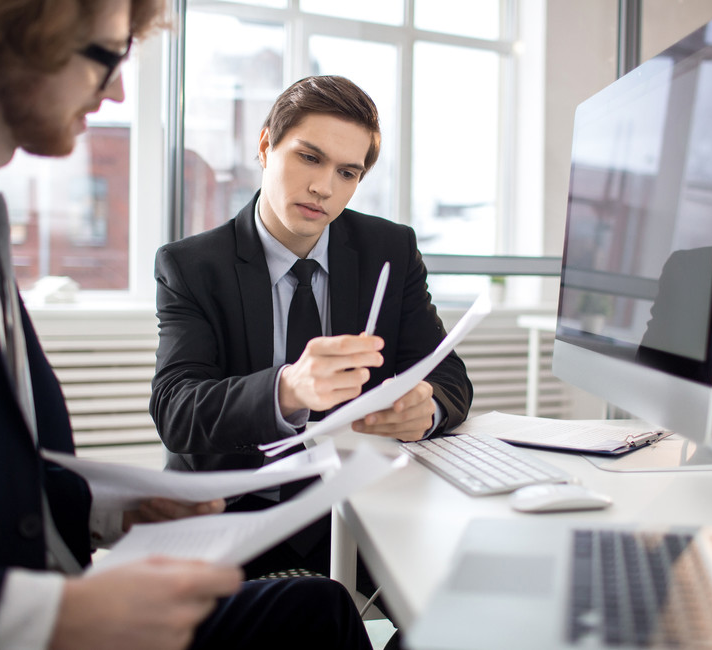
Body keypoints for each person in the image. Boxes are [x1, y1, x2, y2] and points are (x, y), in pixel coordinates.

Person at [0, 1, 370, 648]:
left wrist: (113, 510)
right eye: (105, 56)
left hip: (53, 585)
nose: (119, 90)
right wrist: (53, 618)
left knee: (317, 609)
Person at [150, 75, 474, 579]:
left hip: (358, 506)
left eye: (347, 172)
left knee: (460, 601)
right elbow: (176, 408)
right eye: (309, 158)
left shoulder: (389, 250)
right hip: (236, 514)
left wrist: (425, 407)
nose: (324, 187)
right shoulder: (192, 265)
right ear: (265, 146)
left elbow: (448, 374)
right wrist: (287, 390)